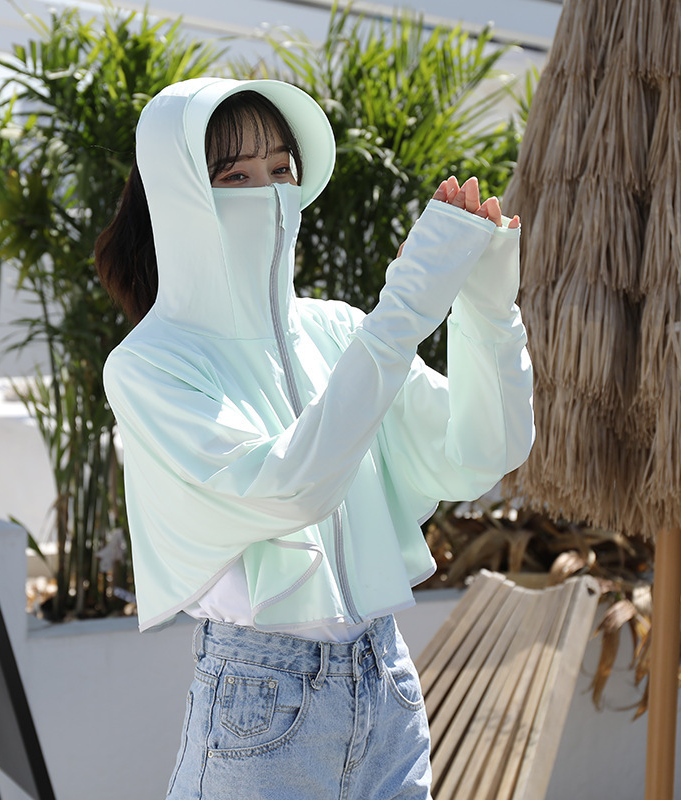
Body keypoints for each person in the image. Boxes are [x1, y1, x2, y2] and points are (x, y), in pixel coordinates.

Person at [95, 77, 534, 800]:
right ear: (182, 196)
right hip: (260, 701)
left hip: (385, 680)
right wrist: (404, 307)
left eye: (281, 169)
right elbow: (289, 489)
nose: (269, 194)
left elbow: (480, 454)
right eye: (235, 176)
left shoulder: (337, 329)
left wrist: (487, 310)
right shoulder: (151, 366)